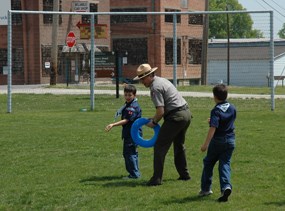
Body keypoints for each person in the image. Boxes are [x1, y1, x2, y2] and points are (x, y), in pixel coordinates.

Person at [133, 63, 192, 186]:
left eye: (143, 79)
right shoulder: (161, 80)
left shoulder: (155, 88)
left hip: (176, 117)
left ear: (149, 76)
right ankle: (184, 175)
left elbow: (160, 111)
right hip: (186, 113)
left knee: (159, 146)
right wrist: (154, 119)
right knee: (179, 145)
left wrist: (153, 122)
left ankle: (156, 179)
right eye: (140, 79)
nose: (142, 82)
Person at [199, 84, 236, 202]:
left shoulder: (215, 110)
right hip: (230, 140)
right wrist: (214, 121)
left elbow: (213, 128)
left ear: (215, 96)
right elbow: (227, 120)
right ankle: (226, 187)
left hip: (218, 141)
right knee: (225, 164)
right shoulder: (232, 107)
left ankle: (205, 189)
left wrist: (205, 144)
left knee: (208, 162)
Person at [105, 84, 142, 179]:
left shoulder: (132, 107)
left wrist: (113, 124)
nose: (127, 97)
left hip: (132, 134)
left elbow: (126, 120)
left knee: (129, 153)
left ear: (134, 95)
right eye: (126, 95)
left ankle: (134, 174)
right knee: (132, 153)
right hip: (131, 133)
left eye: (130, 95)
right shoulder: (129, 104)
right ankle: (135, 173)